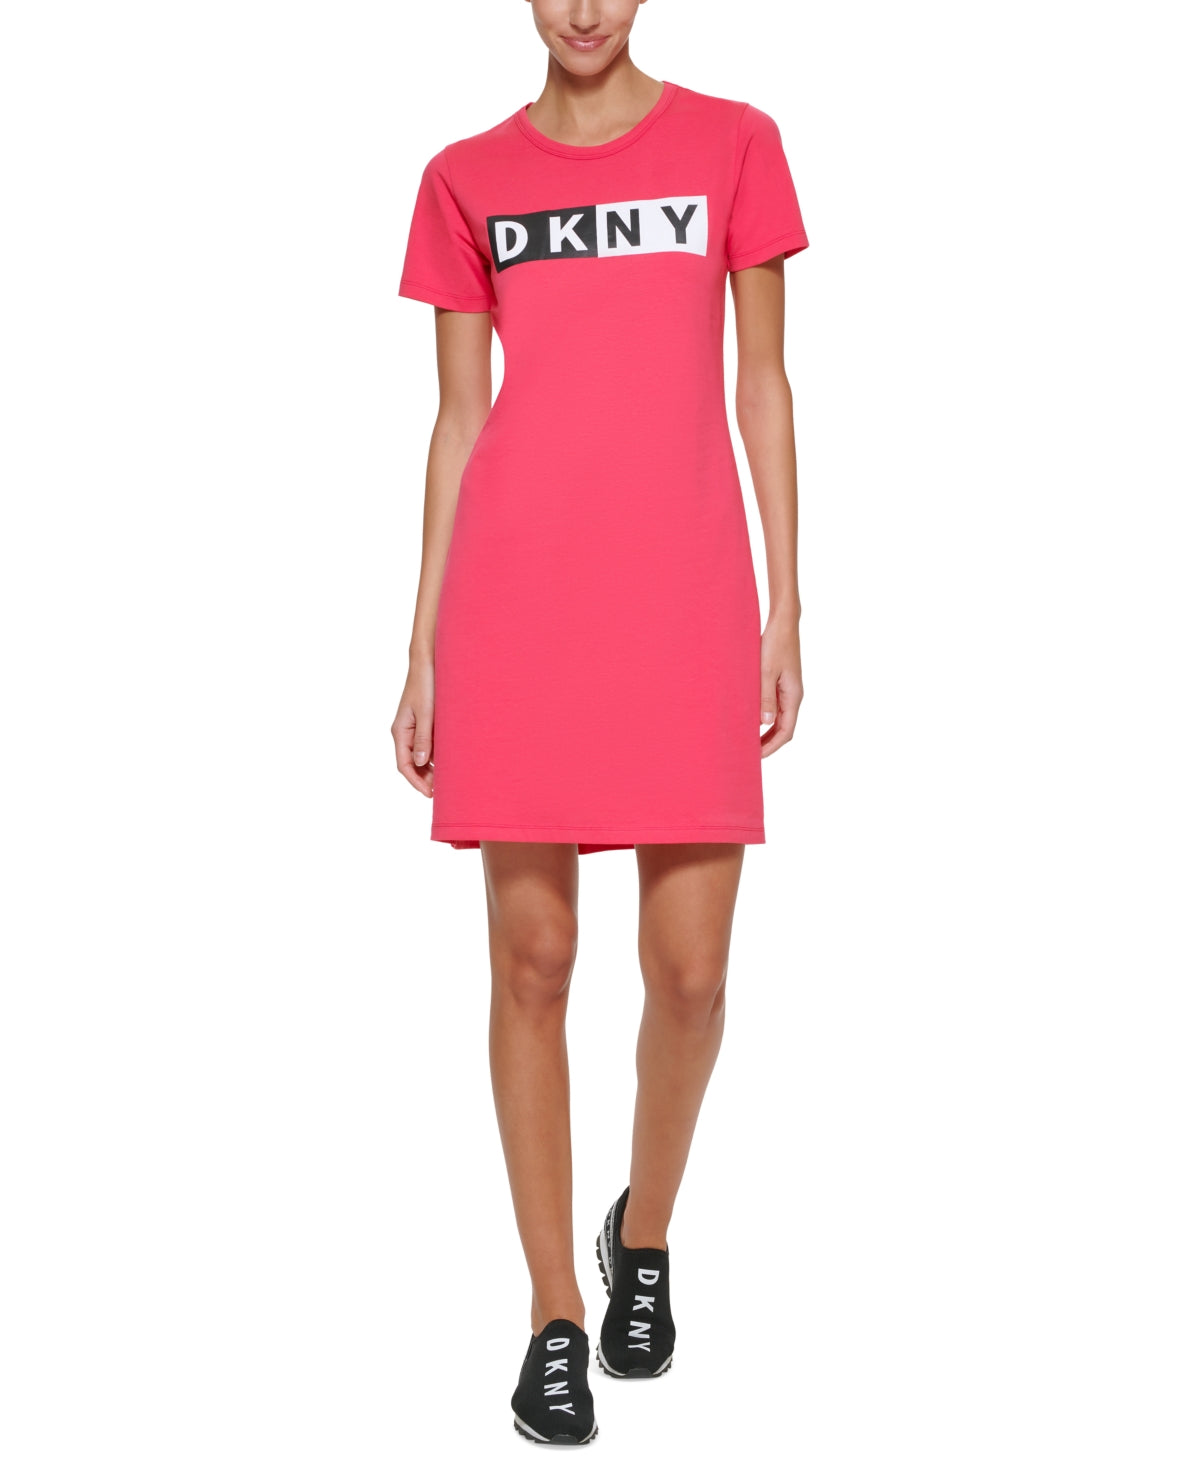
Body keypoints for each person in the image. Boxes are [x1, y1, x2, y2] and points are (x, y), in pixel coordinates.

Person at [391, 0, 808, 1446]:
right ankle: (554, 1314)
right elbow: (458, 420)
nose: (581, 10)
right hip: (518, 602)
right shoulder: (465, 179)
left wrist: (786, 603)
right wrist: (423, 642)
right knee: (534, 960)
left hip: (684, 595)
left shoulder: (734, 147)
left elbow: (764, 382)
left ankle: (644, 1228)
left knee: (690, 976)